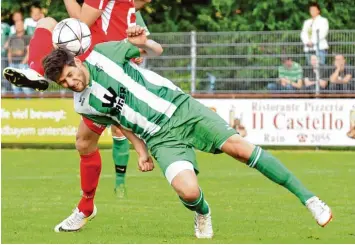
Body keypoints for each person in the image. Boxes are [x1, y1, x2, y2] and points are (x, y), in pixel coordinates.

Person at [42, 25, 333, 237]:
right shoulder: (83, 103)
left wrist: (145, 42)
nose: (71, 84)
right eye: (64, 84)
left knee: (241, 149)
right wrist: (141, 150)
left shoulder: (105, 54)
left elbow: (153, 49)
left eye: (70, 76)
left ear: (76, 61)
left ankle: (310, 199)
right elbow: (115, 119)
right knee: (189, 190)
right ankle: (202, 213)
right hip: (159, 138)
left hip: (182, 108)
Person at [4, 0, 154, 211]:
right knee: (87, 141)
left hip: (98, 64)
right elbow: (144, 44)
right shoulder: (129, 7)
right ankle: (95, 202)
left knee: (48, 23)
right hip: (113, 67)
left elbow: (80, 23)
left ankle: (37, 71)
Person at [6, 20, 32, 95]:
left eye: (20, 25)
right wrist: (10, 63)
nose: (19, 26)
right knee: (15, 87)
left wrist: (22, 63)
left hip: (24, 65)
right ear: (14, 27)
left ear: (23, 26)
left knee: (25, 87)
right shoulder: (12, 37)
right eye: (17, 25)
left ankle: (30, 105)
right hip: (13, 65)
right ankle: (18, 105)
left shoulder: (27, 37)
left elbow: (29, 52)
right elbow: (9, 51)